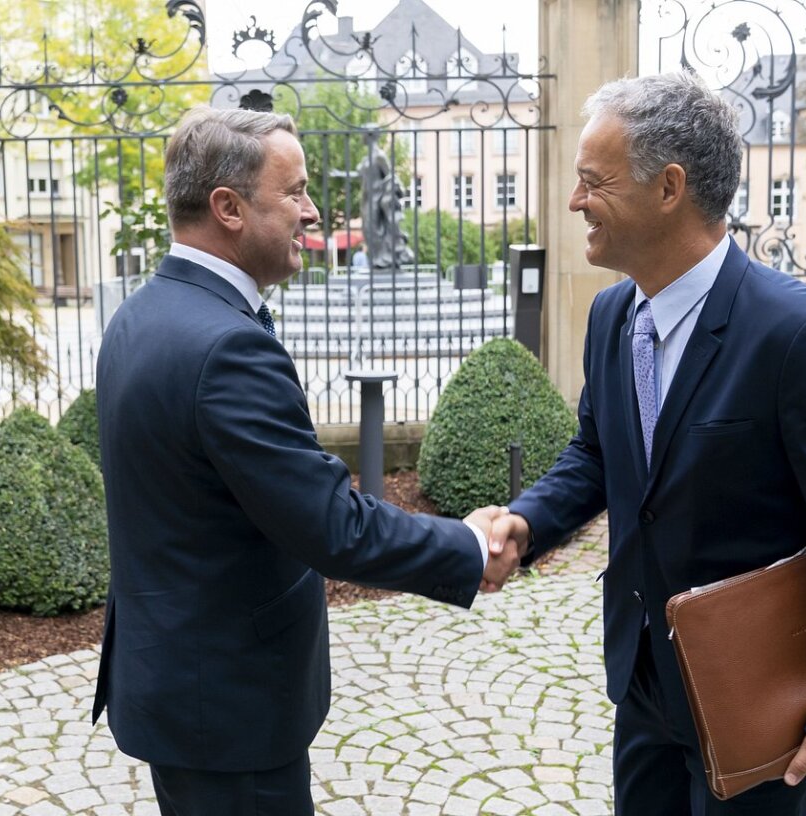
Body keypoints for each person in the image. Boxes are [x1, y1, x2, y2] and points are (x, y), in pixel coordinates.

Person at [485, 72, 806, 815]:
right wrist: (528, 522)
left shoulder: (802, 338)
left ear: (669, 187)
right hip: (644, 679)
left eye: (594, 180)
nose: (575, 200)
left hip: (761, 694)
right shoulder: (612, 317)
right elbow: (598, 453)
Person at [92, 106, 523, 816]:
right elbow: (331, 524)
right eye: (293, 192)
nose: (313, 211)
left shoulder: (142, 314)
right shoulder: (227, 347)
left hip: (179, 687)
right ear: (229, 208)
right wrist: (470, 545)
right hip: (229, 710)